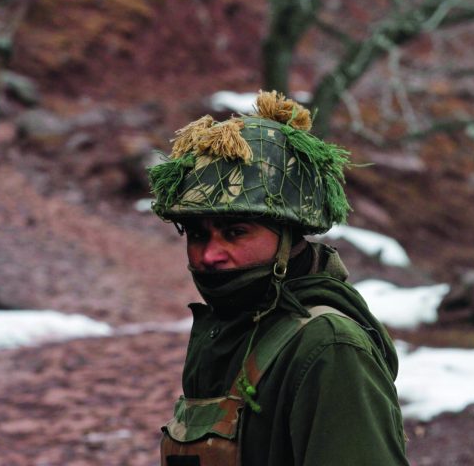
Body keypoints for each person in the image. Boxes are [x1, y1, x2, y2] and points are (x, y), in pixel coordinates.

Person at [149, 91, 409, 465]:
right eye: (197, 234)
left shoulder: (330, 348)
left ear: (288, 235)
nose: (209, 255)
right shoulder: (226, 326)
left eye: (235, 232)